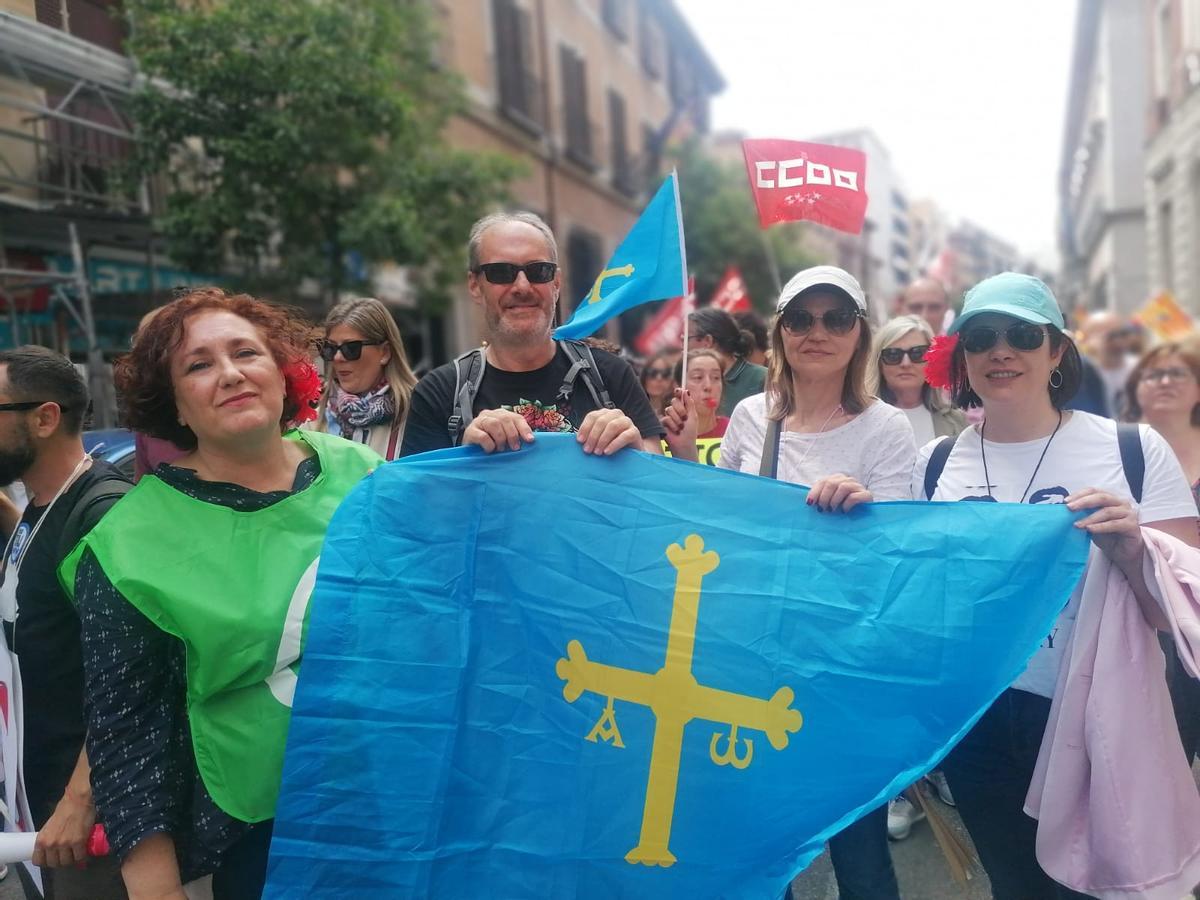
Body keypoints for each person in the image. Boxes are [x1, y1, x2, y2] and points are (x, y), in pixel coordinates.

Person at [65, 289, 380, 900]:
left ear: (283, 372)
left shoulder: (364, 473)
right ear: (174, 404)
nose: (231, 374)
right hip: (268, 839)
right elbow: (127, 731)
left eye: (245, 353)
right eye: (198, 364)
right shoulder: (128, 544)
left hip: (399, 793)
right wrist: (157, 890)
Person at [913, 273, 1199, 899]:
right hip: (977, 721)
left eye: (1022, 334)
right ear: (964, 354)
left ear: (1057, 350)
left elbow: (1174, 615)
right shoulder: (935, 464)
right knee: (1015, 885)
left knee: (1102, 886)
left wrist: (1132, 548)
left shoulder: (1131, 449)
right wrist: (845, 514)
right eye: (982, 336)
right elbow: (917, 601)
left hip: (1096, 712)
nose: (1001, 350)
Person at [712, 265, 913, 900]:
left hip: (844, 665)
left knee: (859, 853)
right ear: (780, 332)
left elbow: (898, 553)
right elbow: (729, 530)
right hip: (759, 660)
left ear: (860, 335)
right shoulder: (750, 417)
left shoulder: (887, 428)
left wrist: (862, 512)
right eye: (801, 318)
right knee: (764, 844)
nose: (817, 331)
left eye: (836, 318)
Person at [0, 347, 131, 900]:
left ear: (45, 417)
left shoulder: (100, 514)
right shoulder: (40, 504)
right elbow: (33, 569)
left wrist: (80, 803)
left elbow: (130, 679)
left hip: (82, 826)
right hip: (36, 805)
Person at [400, 212, 663, 457]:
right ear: (474, 286)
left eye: (539, 271)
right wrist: (465, 456)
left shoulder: (610, 375)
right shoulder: (438, 393)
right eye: (501, 273)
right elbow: (418, 498)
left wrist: (635, 448)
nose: (522, 286)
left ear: (556, 283)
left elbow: (658, 478)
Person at [1125, 342, 1200, 766]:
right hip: (1150, 620)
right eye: (1154, 374)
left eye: (1179, 373)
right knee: (1163, 747)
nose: (1165, 382)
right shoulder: (1119, 452)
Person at [315, 296, 417, 461]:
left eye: (351, 348)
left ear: (384, 352)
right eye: (330, 348)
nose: (338, 357)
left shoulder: (417, 413)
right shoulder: (312, 415)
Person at [870, 314, 966, 447]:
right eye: (893, 355)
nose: (906, 363)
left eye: (918, 353)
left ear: (932, 359)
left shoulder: (956, 420)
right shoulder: (859, 419)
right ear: (879, 364)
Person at [687, 307, 766, 417]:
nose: (683, 347)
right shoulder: (684, 383)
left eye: (686, 339)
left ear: (707, 341)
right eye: (698, 378)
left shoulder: (762, 378)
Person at [1080, 311, 1138, 416]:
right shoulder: (1081, 376)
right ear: (1089, 340)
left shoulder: (1141, 369)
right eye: (1111, 336)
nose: (1118, 342)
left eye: (1123, 334)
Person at [639, 349, 679, 420]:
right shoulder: (632, 408)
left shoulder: (677, 411)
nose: (659, 378)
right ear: (644, 376)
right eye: (653, 372)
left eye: (666, 374)